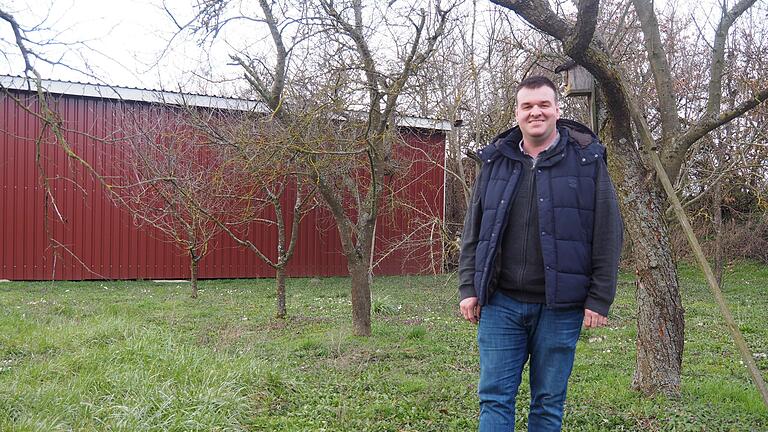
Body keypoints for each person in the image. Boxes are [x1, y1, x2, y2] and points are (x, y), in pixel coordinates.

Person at [458, 75, 623, 431]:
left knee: (548, 404)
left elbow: (608, 232)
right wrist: (469, 288)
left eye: (543, 104)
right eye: (527, 106)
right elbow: (475, 230)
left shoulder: (586, 161)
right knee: (494, 399)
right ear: (516, 113)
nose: (536, 112)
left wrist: (600, 297)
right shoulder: (495, 161)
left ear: (557, 110)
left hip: (559, 307)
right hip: (500, 304)